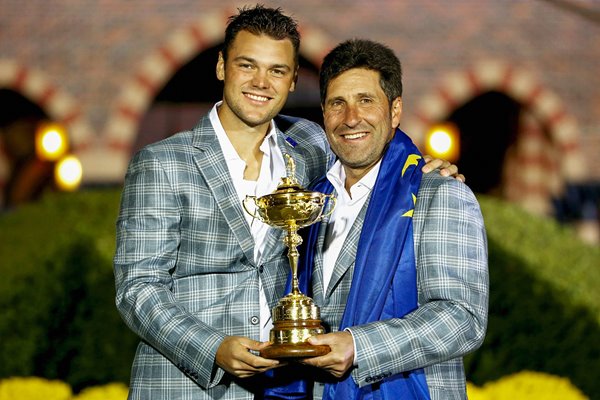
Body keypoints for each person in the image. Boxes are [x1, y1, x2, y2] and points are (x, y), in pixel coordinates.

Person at [114, 5, 463, 399]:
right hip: (187, 385)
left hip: (288, 387)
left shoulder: (311, 146)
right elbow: (139, 288)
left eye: (277, 70)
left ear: (294, 79)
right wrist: (211, 348)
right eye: (247, 66)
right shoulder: (162, 163)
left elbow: (367, 145)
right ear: (221, 67)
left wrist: (420, 169)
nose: (261, 82)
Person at [296, 39, 489, 400]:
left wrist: (359, 346)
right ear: (323, 112)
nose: (351, 117)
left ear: (395, 110)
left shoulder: (441, 193)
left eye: (366, 100)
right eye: (338, 103)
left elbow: (462, 318)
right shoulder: (309, 201)